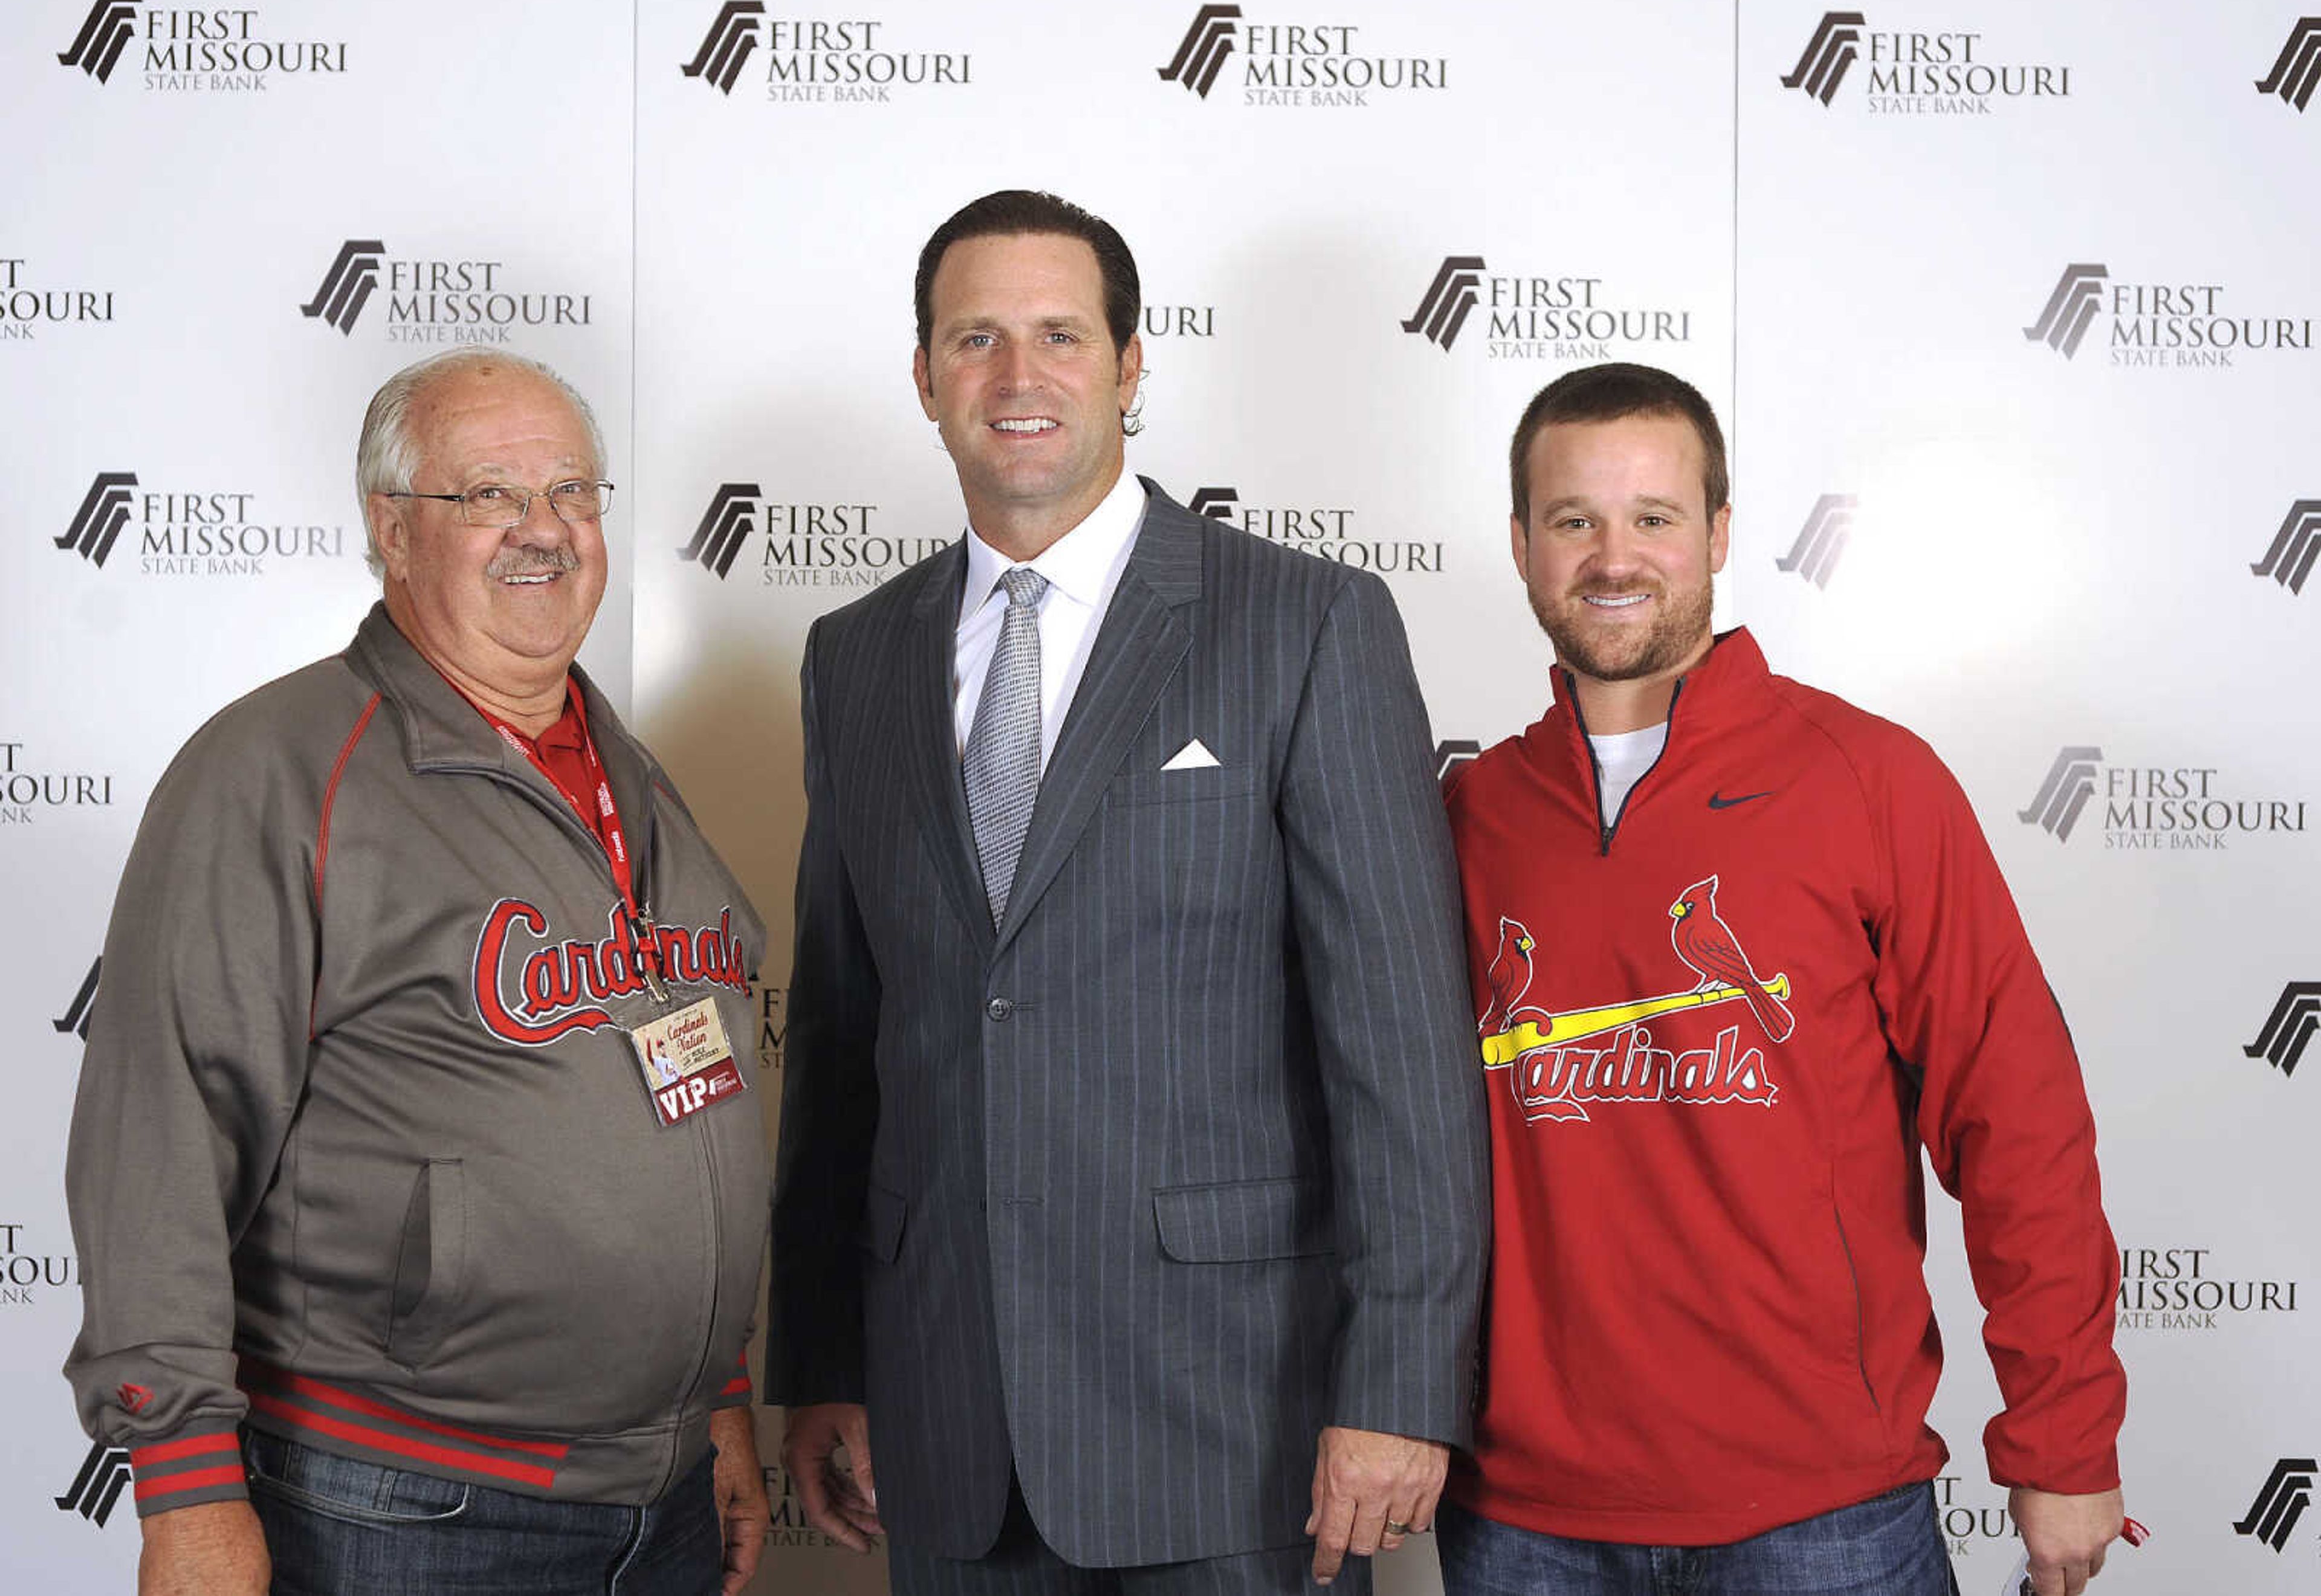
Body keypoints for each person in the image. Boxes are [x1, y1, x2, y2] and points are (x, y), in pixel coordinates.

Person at [770, 189, 1488, 1595]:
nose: (1018, 378)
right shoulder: (850, 657)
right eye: (975, 339)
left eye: (1060, 336)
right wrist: (824, 1357)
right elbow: (845, 1050)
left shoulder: (1305, 623)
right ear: (924, 377)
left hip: (1232, 1430)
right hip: (945, 1427)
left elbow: (1400, 1054)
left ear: (1132, 366)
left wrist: (1403, 1382)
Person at [63, 347, 772, 1596]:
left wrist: (713, 1396)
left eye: (574, 492)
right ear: (393, 530)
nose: (543, 530)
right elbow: (158, 1135)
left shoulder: (629, 773)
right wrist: (183, 1489)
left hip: (656, 1500)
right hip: (400, 1508)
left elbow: (681, 1099)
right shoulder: (278, 771)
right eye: (489, 495)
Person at [1439, 363, 2129, 1596]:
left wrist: (2063, 1439)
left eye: (1653, 517)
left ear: (1716, 535)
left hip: (1822, 1520)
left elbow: (2016, 1122)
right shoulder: (1467, 815)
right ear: (1520, 544)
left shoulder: (1868, 780)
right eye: (1573, 519)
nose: (1614, 556)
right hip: (1522, 1523)